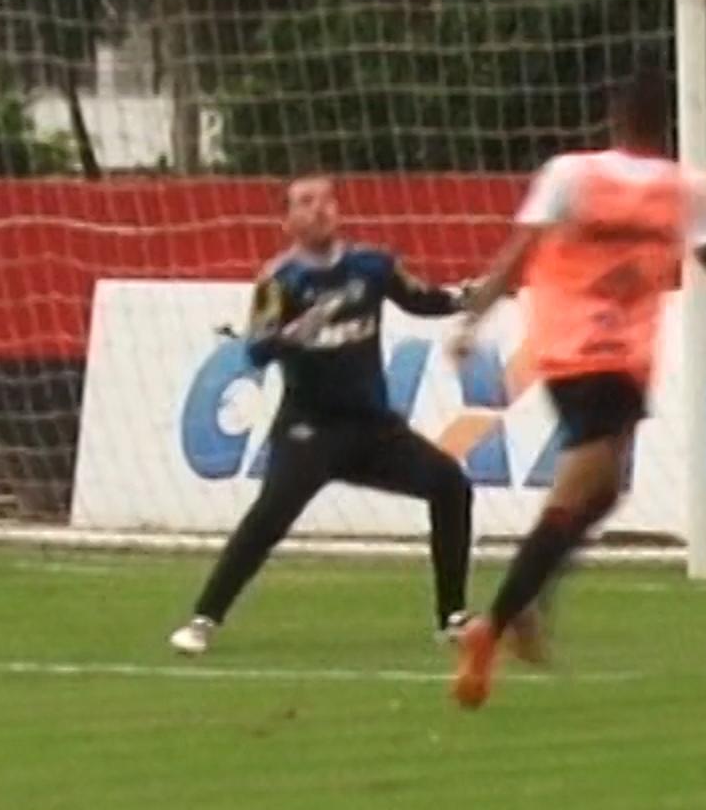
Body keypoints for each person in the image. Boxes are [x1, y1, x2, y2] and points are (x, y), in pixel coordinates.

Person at [446, 73, 706, 710]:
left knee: (604, 490)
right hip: (615, 353)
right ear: (670, 122)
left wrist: (474, 319)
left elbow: (519, 253)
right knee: (585, 486)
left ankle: (525, 604)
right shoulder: (688, 188)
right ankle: (498, 621)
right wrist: (701, 247)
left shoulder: (570, 173)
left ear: (613, 116)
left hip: (564, 343)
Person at [169, 174, 476, 656]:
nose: (319, 210)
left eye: (327, 200)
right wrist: (294, 332)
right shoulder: (280, 280)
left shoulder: (373, 266)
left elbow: (420, 299)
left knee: (450, 483)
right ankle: (204, 618)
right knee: (269, 518)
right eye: (305, 203)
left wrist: (468, 297)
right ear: (287, 220)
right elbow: (258, 349)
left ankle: (453, 617)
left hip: (373, 427)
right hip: (310, 429)